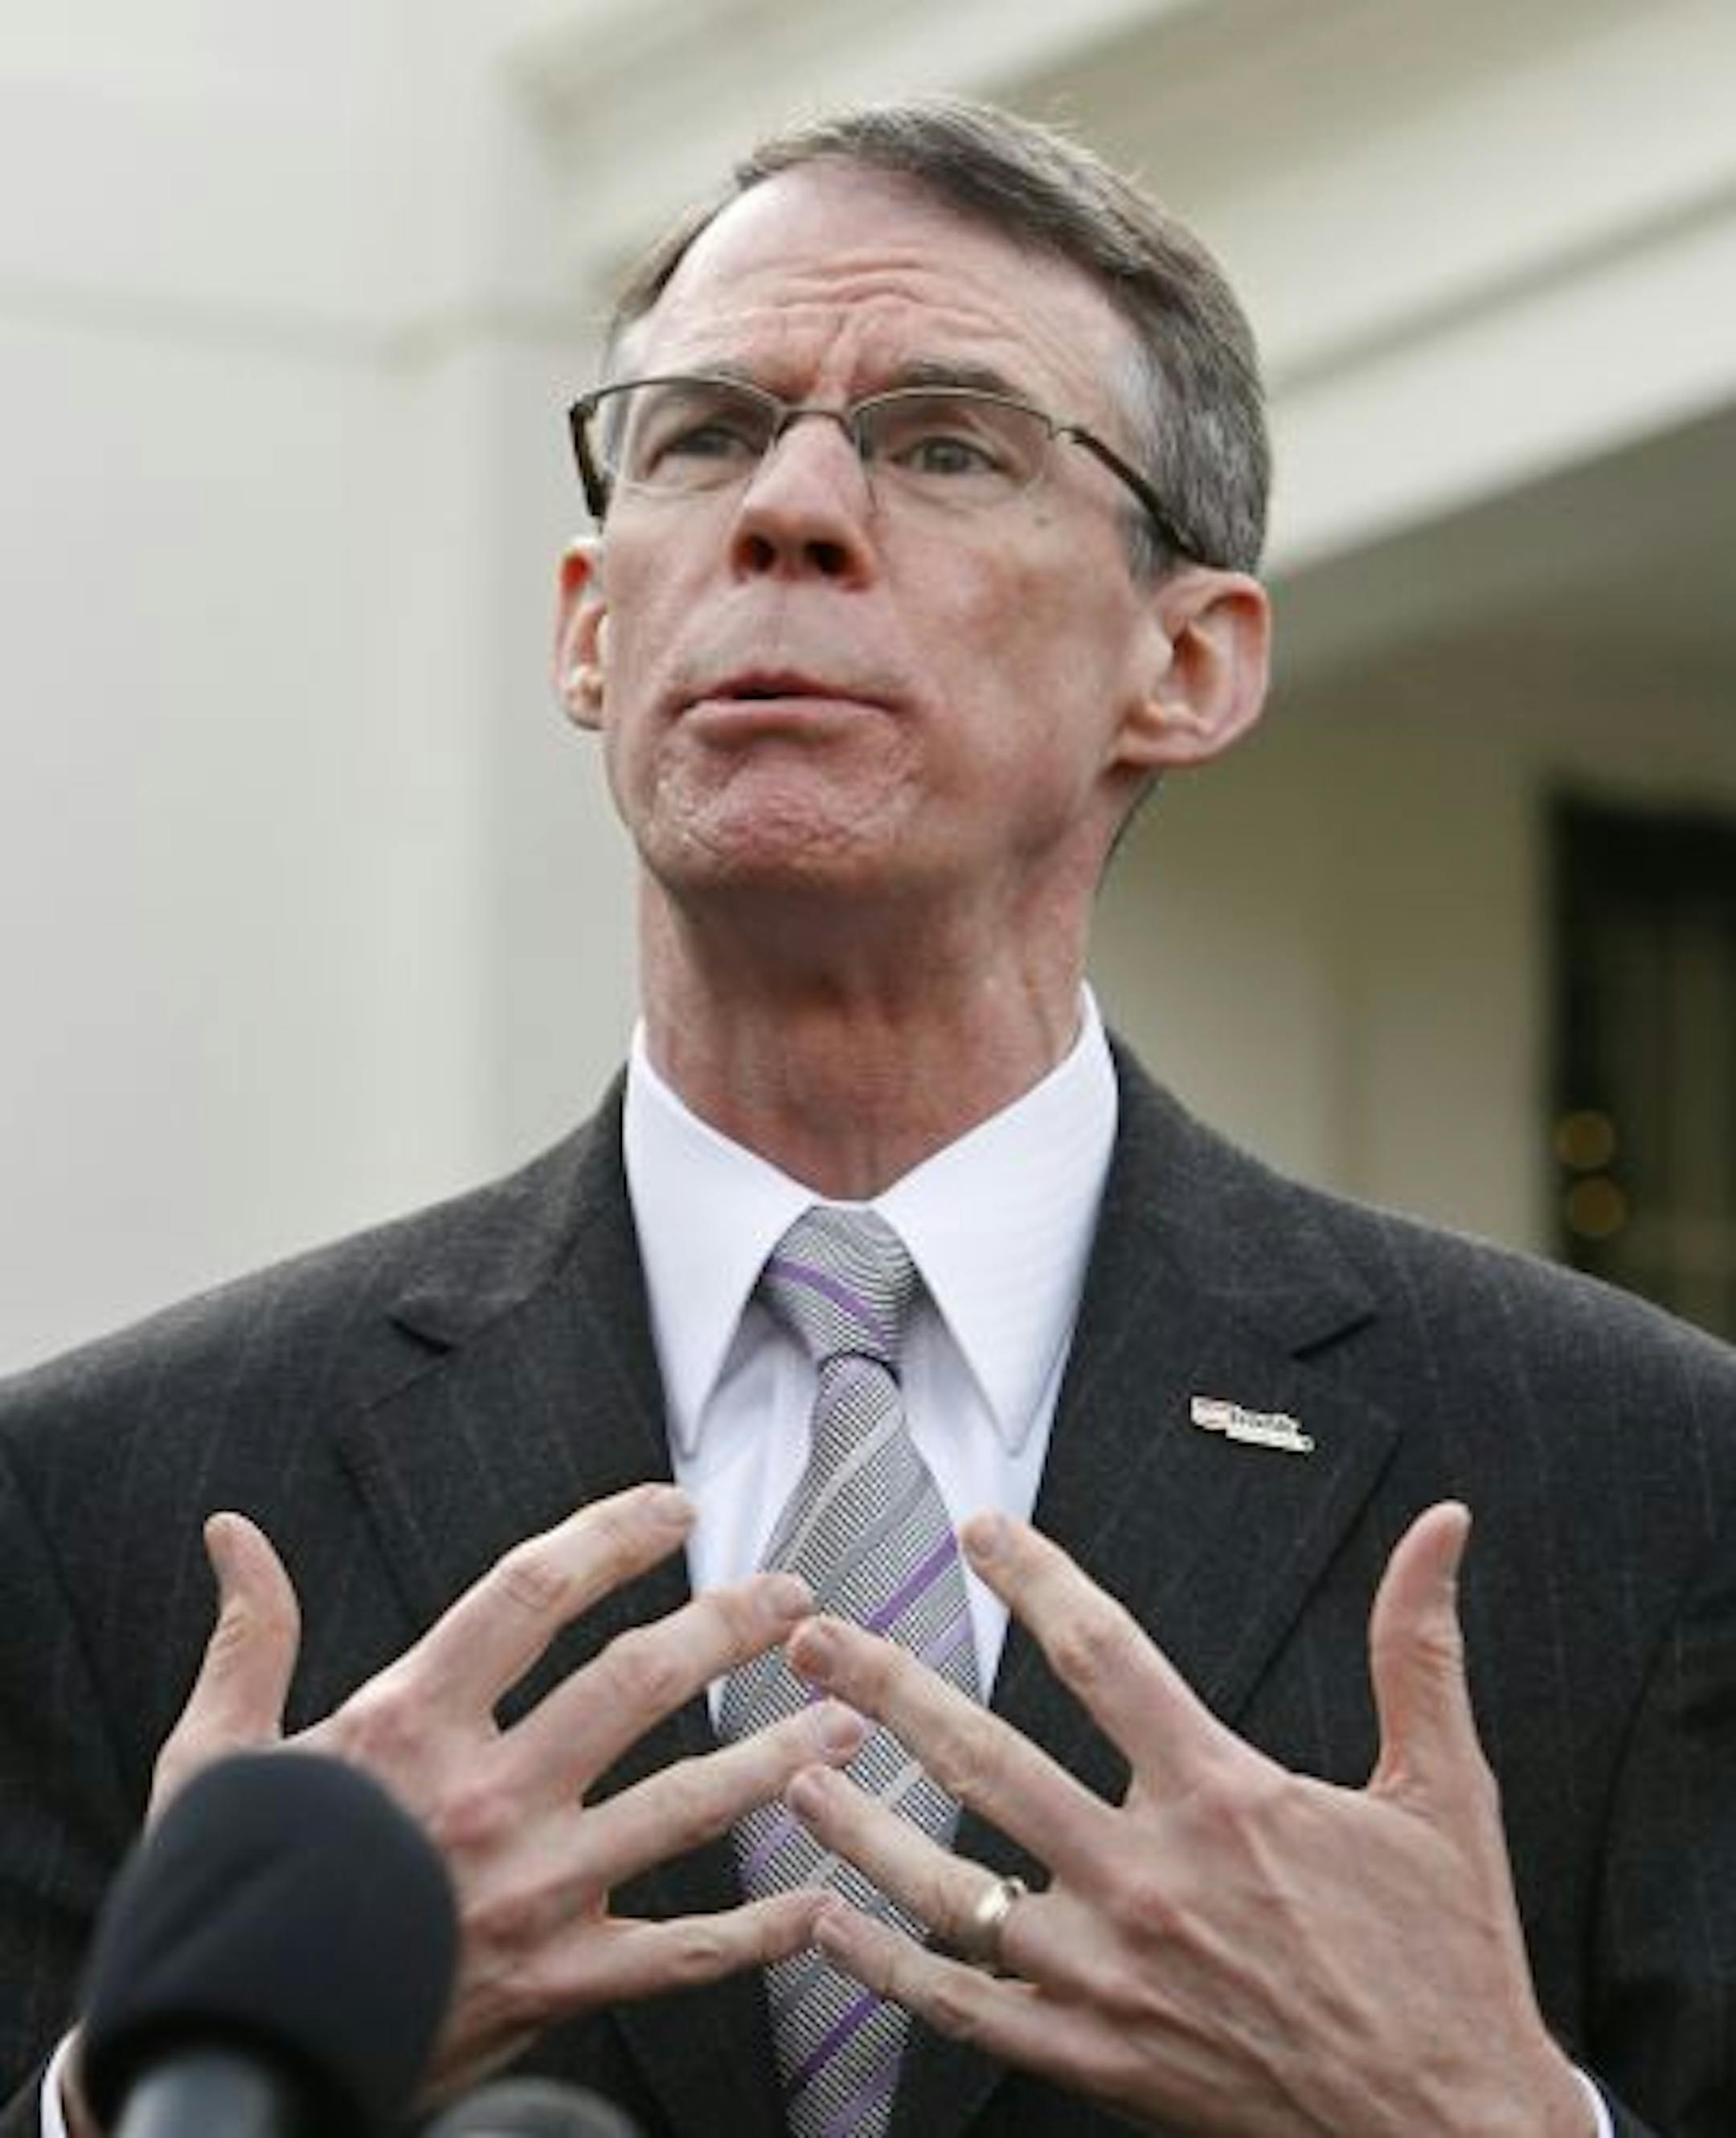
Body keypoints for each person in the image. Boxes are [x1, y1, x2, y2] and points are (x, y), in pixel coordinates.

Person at [2, 94, 1733, 2138]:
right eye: (705, 435)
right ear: (588, 622)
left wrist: (1475, 2115)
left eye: (943, 444)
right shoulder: (110, 1505)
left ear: (1185, 660)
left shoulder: (1637, 1479)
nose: (791, 511)